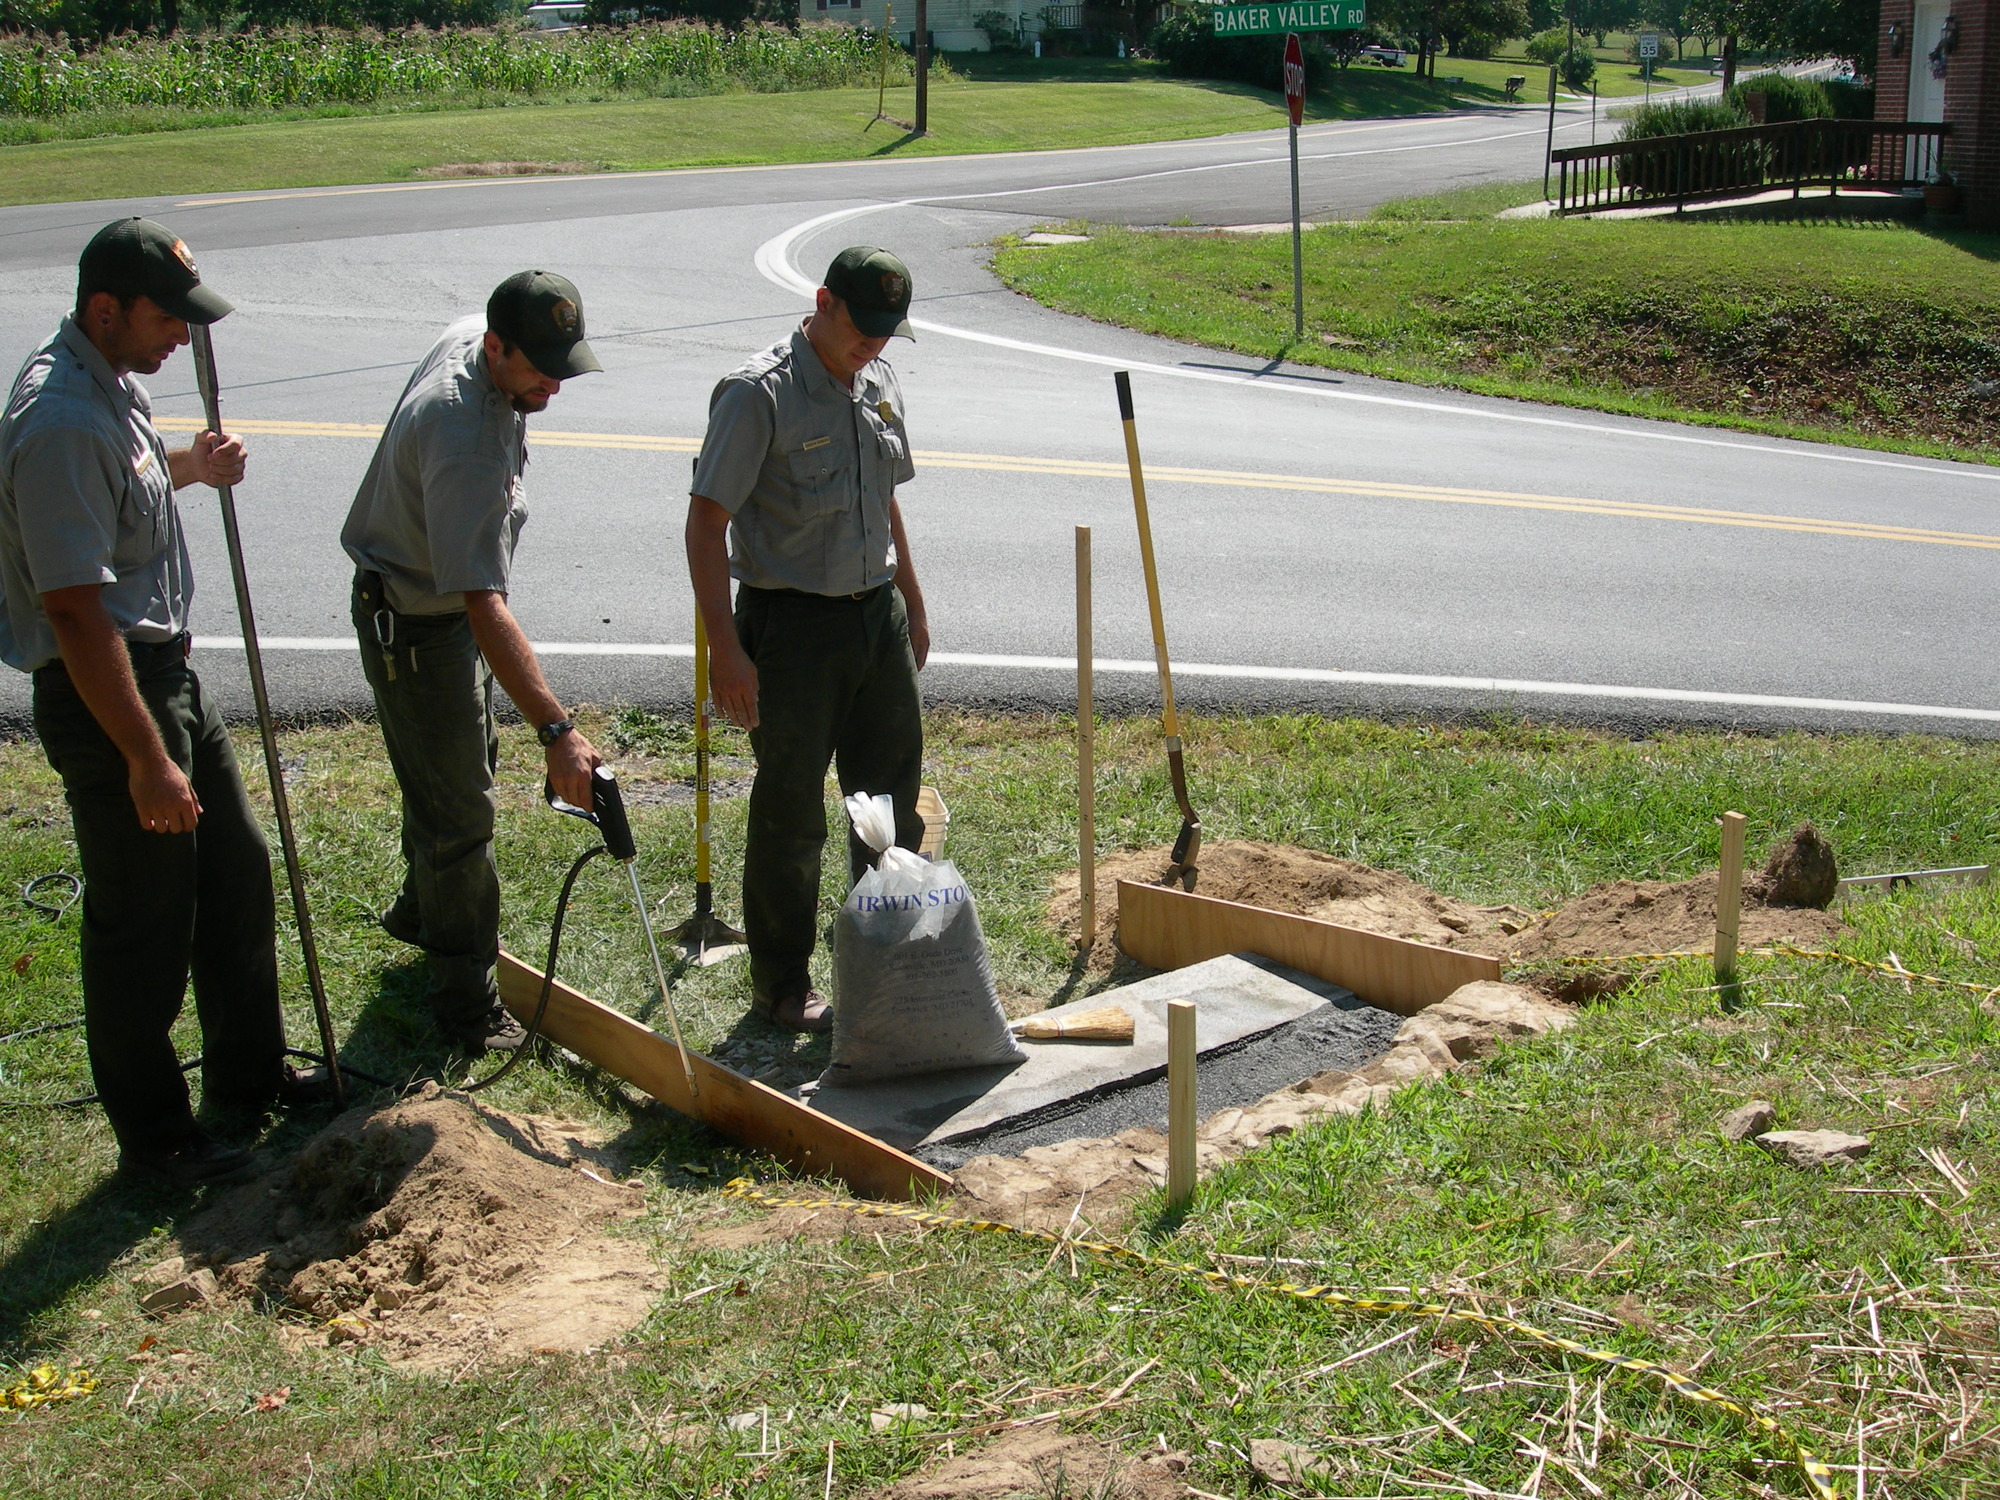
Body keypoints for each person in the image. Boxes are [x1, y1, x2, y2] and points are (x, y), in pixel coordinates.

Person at [0, 218, 317, 1187]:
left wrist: (189, 467)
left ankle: (248, 1078)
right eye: (166, 319)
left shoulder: (111, 390)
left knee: (235, 871)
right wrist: (145, 757)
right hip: (114, 695)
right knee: (144, 922)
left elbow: (124, 496)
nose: (181, 336)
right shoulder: (58, 424)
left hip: (165, 678)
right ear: (107, 310)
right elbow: (74, 612)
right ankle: (159, 1142)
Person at [343, 271, 604, 1052]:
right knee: (460, 814)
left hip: (438, 608)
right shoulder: (462, 442)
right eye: (539, 372)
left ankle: (420, 912)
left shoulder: (477, 338)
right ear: (495, 348)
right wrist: (558, 730)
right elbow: (481, 605)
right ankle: (465, 1008)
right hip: (416, 626)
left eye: (564, 368)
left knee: (455, 764)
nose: (553, 387)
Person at [686, 246, 930, 1034]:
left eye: (889, 332)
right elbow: (704, 523)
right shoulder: (758, 394)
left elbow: (886, 498)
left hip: (874, 619)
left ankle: (887, 958)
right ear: (823, 302)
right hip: (792, 627)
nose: (876, 345)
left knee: (891, 801)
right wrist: (726, 649)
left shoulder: (876, 379)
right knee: (792, 814)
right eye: (864, 327)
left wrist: (912, 603)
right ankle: (783, 985)